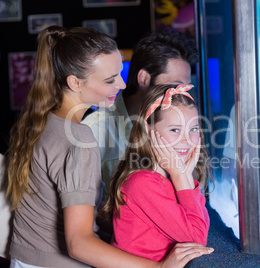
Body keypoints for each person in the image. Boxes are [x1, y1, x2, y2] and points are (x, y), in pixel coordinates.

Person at [6, 26, 212, 268]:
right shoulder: (80, 139)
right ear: (75, 82)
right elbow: (79, 244)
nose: (123, 85)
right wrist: (158, 267)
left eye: (120, 74)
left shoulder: (48, 120)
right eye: (110, 79)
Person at [82, 31, 198, 202]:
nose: (181, 95)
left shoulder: (184, 126)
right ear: (144, 79)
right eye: (175, 86)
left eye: (186, 89)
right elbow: (84, 212)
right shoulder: (95, 130)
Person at [100, 84, 210, 262]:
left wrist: (185, 178)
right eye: (175, 130)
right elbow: (197, 238)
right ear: (149, 129)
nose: (187, 139)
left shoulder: (173, 177)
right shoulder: (142, 183)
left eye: (194, 129)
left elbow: (201, 225)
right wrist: (182, 177)